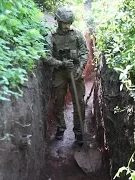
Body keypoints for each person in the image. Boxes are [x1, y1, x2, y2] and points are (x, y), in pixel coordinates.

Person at [44, 7, 88, 145]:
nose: (67, 26)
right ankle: (60, 127)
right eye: (64, 23)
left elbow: (84, 52)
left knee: (79, 102)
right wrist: (61, 63)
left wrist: (80, 67)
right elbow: (46, 56)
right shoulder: (51, 36)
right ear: (58, 21)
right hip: (60, 72)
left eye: (69, 23)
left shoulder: (77, 34)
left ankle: (79, 131)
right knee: (58, 101)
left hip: (75, 71)